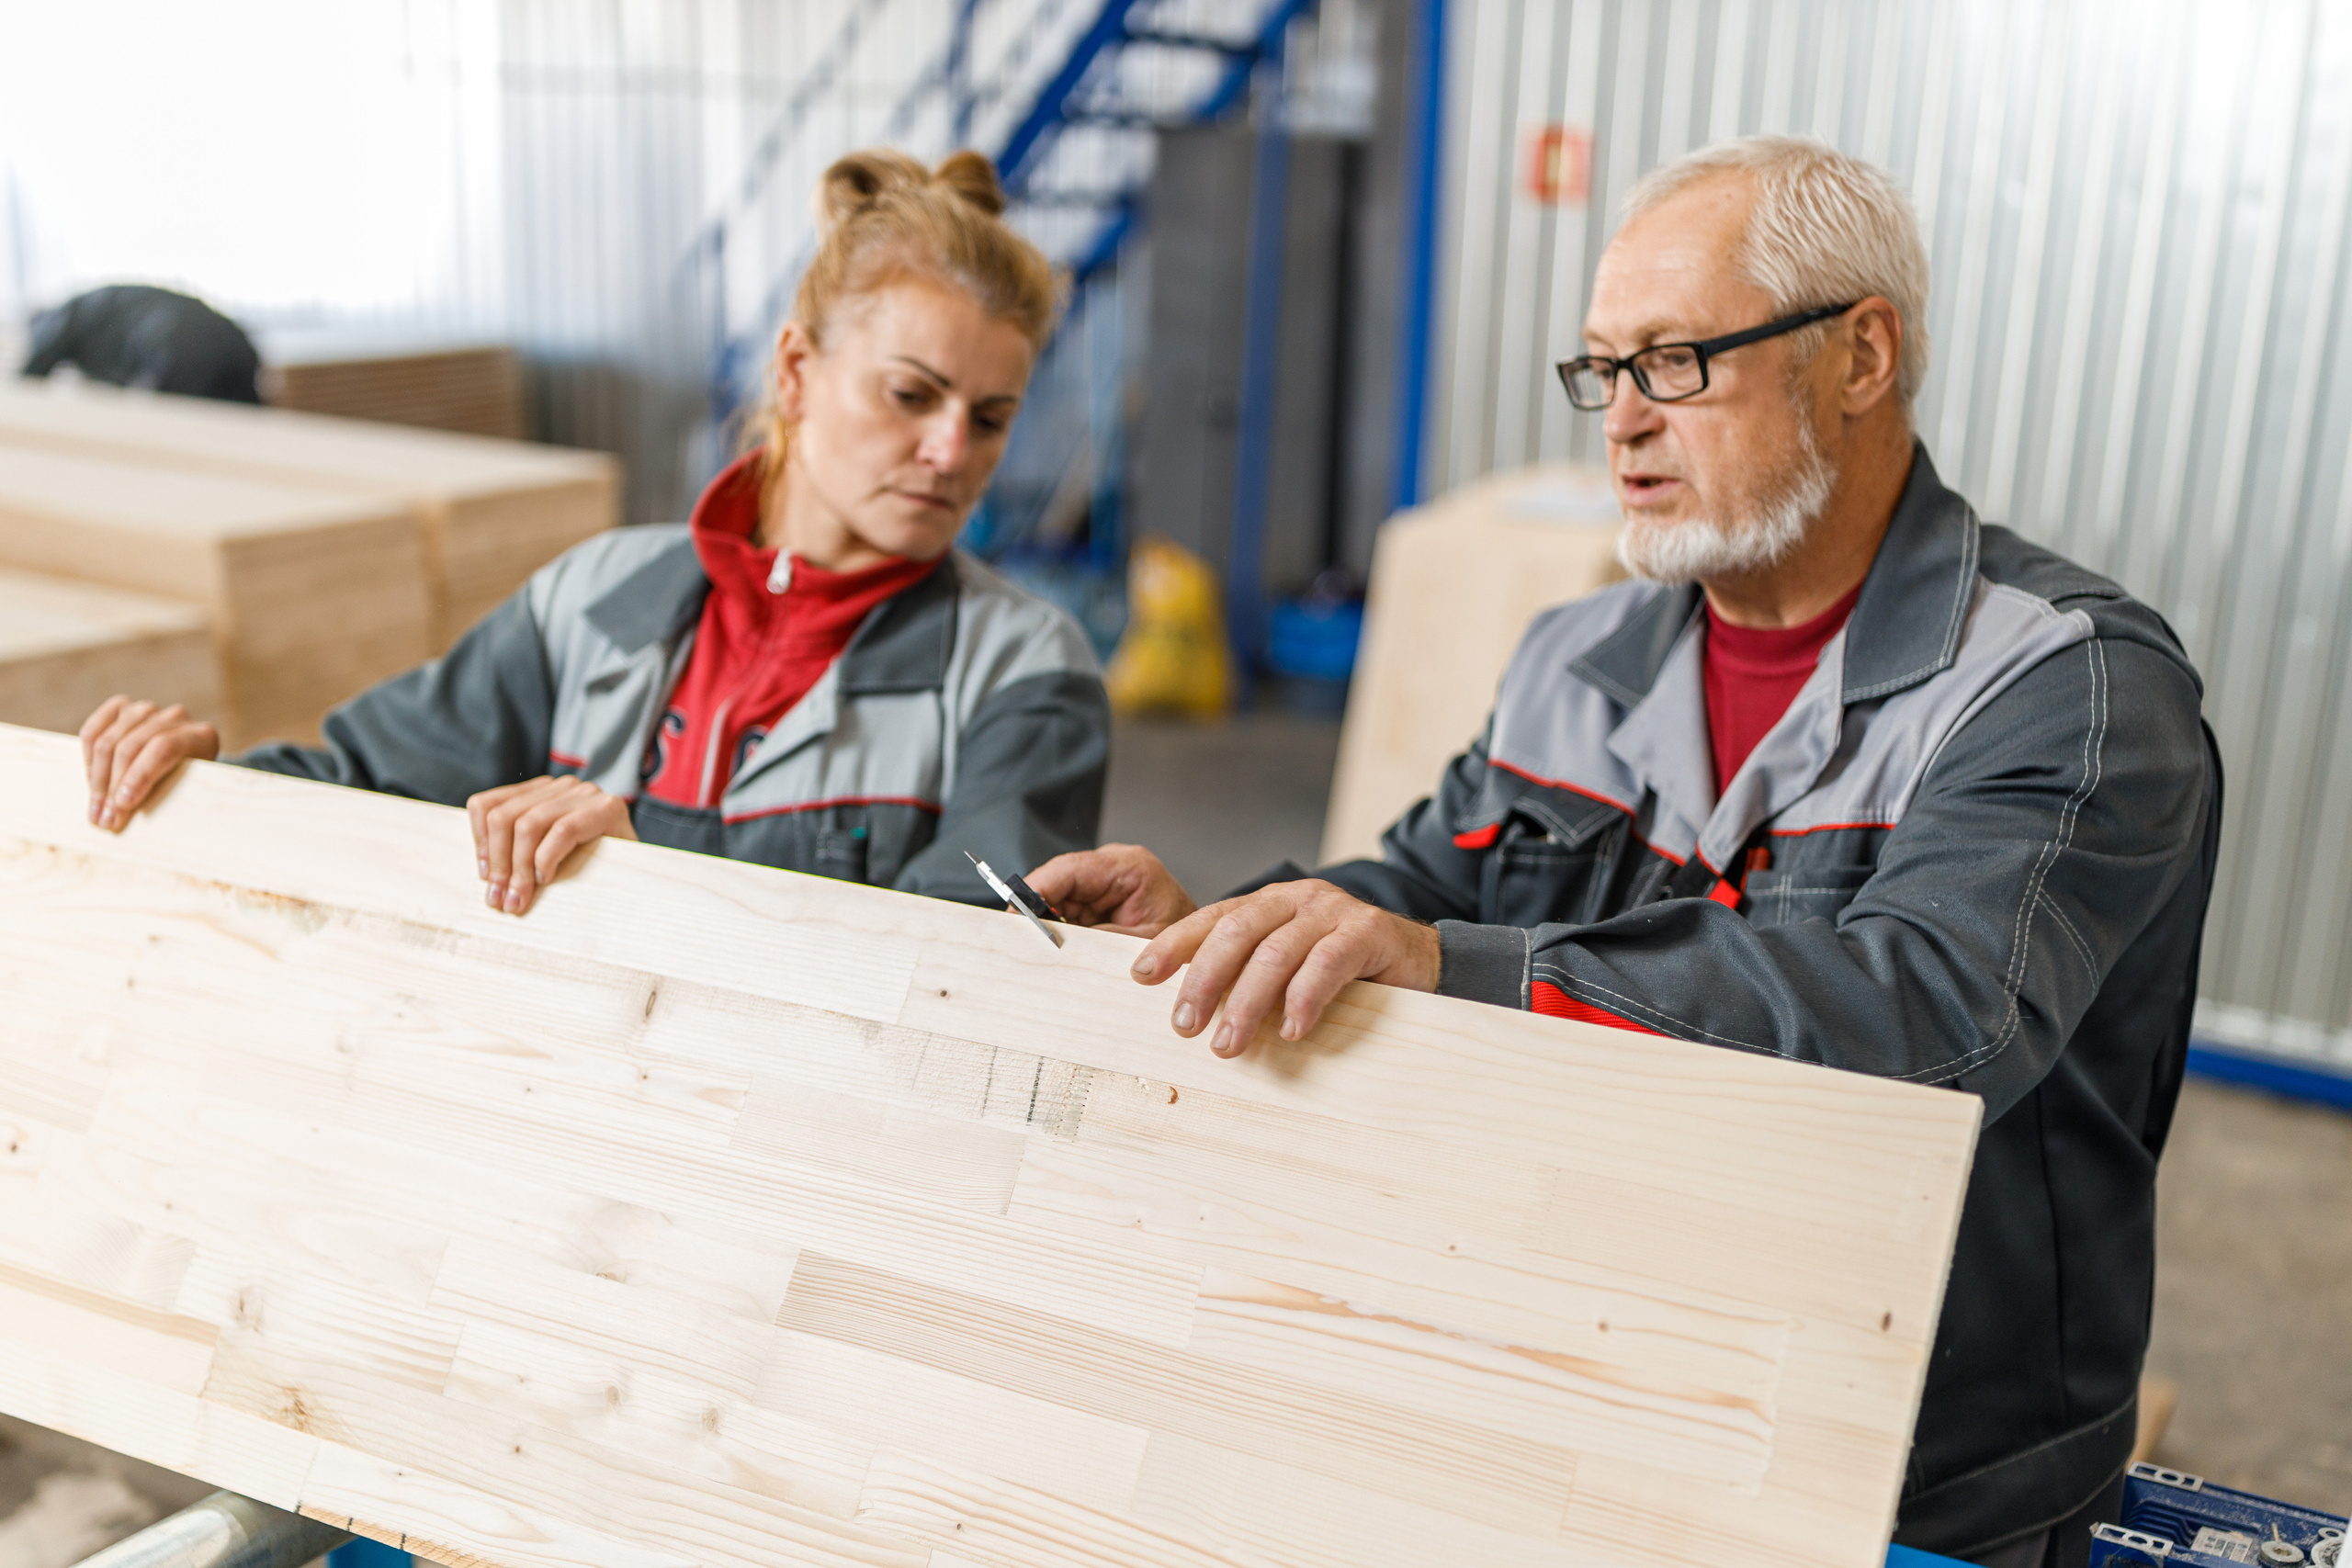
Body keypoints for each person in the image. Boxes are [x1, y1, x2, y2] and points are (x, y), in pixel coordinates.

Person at [1029, 137, 2220, 1568]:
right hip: (1585, 1383)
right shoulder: (1576, 656)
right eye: (1604, 369)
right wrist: (1230, 929)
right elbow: (1422, 888)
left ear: (1860, 357)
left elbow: (1930, 1016)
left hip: (1920, 1479)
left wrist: (1455, 966)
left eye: (1676, 361)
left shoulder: (2067, 683)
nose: (1624, 423)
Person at [78, 150, 1110, 913]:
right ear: (795, 373)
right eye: (910, 395)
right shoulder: (595, 597)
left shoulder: (1024, 671)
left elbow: (965, 985)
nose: (949, 451)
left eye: (989, 420)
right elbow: (365, 787)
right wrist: (204, 783)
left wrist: (642, 882)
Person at [21, 284, 265, 403]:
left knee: (174, 429)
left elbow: (27, 381)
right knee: (253, 430)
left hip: (178, 342)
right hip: (234, 339)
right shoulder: (96, 306)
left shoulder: (59, 317)